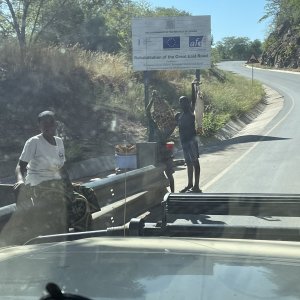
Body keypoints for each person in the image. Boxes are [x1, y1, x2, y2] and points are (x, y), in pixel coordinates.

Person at [2, 110, 91, 245]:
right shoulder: (34, 142)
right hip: (38, 184)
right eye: (44, 124)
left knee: (86, 194)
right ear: (40, 126)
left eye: (51, 123)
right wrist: (20, 180)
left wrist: (69, 185)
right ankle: (60, 236)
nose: (48, 126)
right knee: (60, 200)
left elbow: (62, 167)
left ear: (56, 124)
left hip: (56, 183)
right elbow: (20, 166)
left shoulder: (59, 142)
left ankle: (82, 236)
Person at [146, 91, 175, 193]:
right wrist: (152, 100)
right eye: (156, 116)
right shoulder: (153, 124)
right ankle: (166, 193)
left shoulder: (165, 127)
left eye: (159, 116)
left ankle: (172, 193)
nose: (158, 117)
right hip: (155, 153)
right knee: (159, 175)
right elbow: (148, 111)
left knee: (168, 174)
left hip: (163, 154)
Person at [175, 96, 202, 193]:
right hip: (184, 143)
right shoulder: (180, 115)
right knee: (189, 163)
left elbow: (195, 99)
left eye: (184, 102)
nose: (182, 104)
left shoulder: (191, 113)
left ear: (188, 103)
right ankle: (190, 184)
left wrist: (194, 85)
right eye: (180, 102)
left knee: (195, 162)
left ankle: (196, 186)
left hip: (191, 142)